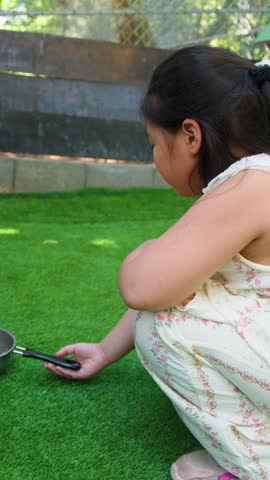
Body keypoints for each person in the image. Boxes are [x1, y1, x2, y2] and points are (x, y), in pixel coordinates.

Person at [45, 46, 270, 480]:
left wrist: (147, 249)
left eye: (154, 143)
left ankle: (257, 462)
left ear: (190, 135)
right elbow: (189, 286)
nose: (154, 156)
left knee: (163, 330)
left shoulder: (252, 186)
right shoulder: (253, 178)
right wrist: (106, 351)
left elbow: (145, 289)